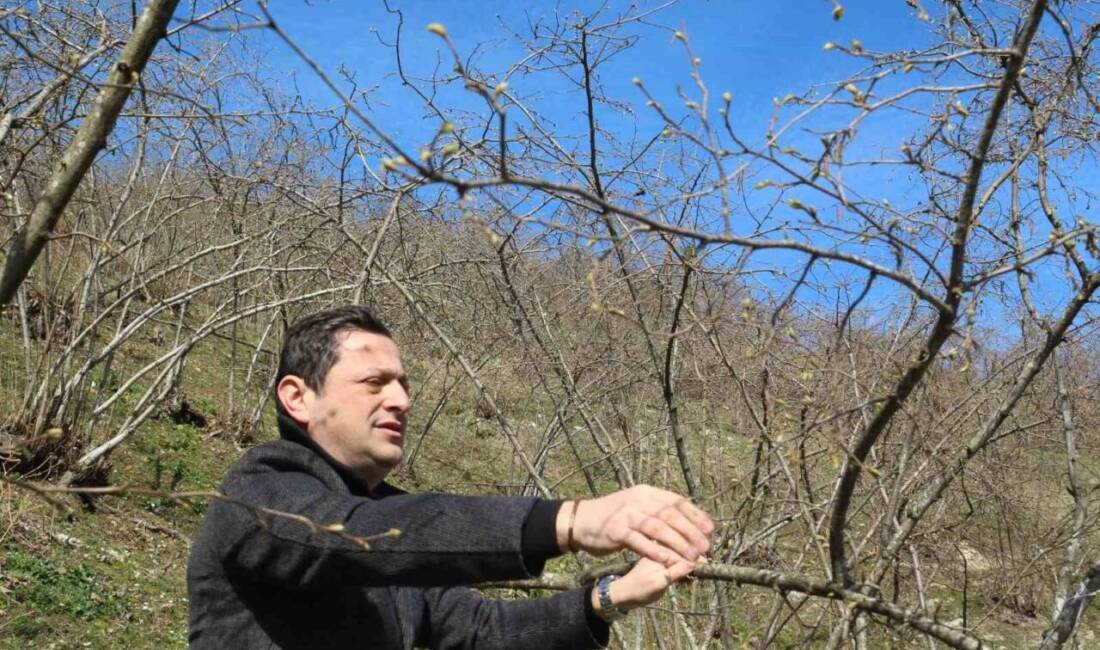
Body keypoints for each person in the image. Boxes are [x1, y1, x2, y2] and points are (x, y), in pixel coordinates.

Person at [187, 305, 714, 649]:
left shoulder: (389, 532)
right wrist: (571, 521)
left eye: (403, 384)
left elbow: (483, 630)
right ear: (297, 397)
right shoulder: (256, 495)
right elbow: (353, 536)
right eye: (374, 382)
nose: (401, 400)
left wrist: (611, 596)